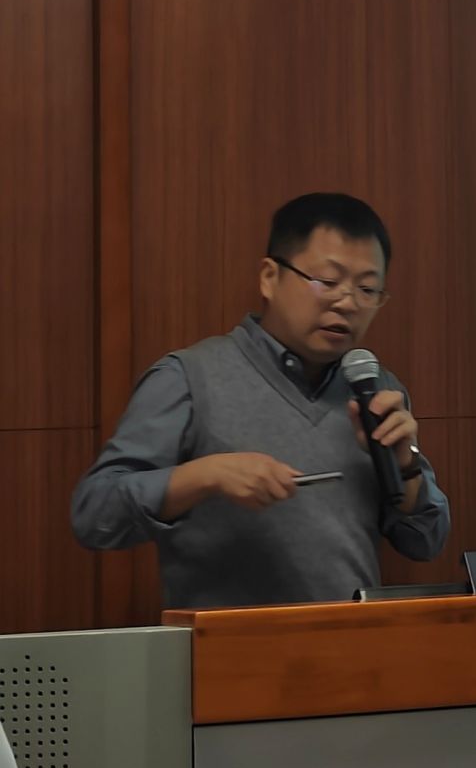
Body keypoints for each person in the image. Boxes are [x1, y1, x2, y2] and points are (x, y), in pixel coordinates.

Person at [72, 193, 449, 608]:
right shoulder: (188, 378)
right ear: (270, 277)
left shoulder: (375, 389)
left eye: (367, 289)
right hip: (229, 644)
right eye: (327, 281)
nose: (347, 303)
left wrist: (405, 468)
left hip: (353, 640)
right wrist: (203, 476)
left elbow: (426, 542)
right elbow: (94, 514)